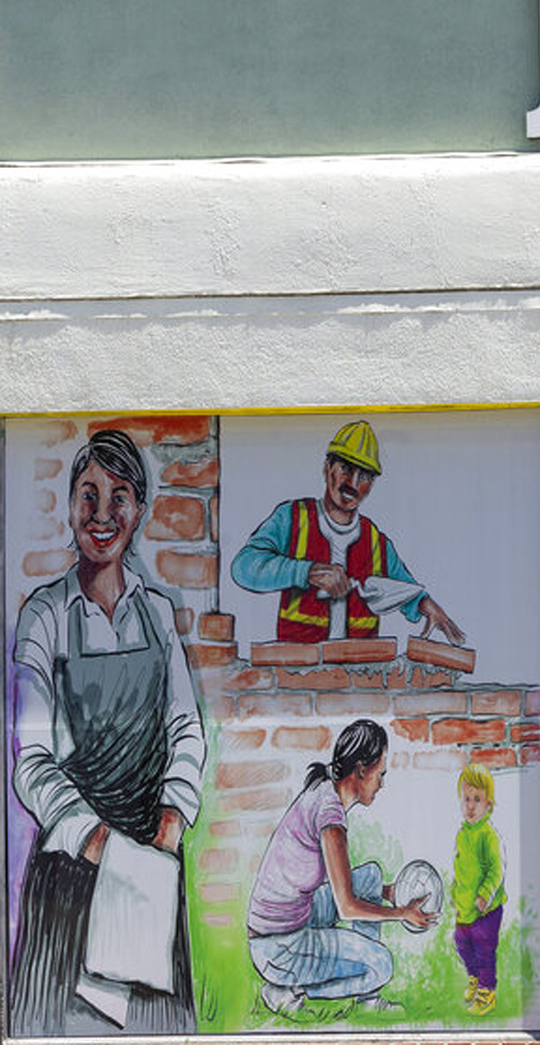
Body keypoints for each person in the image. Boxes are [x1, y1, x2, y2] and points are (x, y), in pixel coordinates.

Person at [9, 428, 205, 1034]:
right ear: (70, 507)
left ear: (139, 511)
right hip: (71, 877)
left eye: (119, 497)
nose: (102, 514)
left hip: (149, 864)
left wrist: (171, 822)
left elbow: (187, 729)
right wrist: (95, 841)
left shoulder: (159, 615)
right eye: (88, 496)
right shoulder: (44, 618)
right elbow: (30, 760)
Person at [247, 719, 438, 1016]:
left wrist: (392, 892)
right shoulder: (330, 817)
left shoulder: (324, 791)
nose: (382, 784)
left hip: (293, 920)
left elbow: (349, 889)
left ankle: (368, 1000)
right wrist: (401, 913)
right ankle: (288, 990)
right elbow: (347, 907)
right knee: (382, 965)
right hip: (278, 948)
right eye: (380, 774)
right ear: (362, 769)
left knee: (371, 876)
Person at [231, 420, 464, 645]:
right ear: (326, 469)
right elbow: (243, 567)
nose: (352, 483)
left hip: (358, 676)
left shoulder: (375, 541)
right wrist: (305, 571)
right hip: (299, 672)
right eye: (345, 468)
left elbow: (404, 589)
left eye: (363, 477)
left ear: (371, 486)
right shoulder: (292, 518)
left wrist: (427, 605)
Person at [452, 763, 507, 1015]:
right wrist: (455, 895)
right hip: (465, 906)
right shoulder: (463, 834)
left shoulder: (487, 835)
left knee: (484, 948)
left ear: (489, 804)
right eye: (466, 799)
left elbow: (496, 869)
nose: (470, 805)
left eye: (477, 799)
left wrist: (485, 893)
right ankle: (474, 977)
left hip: (486, 908)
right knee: (462, 943)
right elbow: (461, 870)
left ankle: (487, 991)